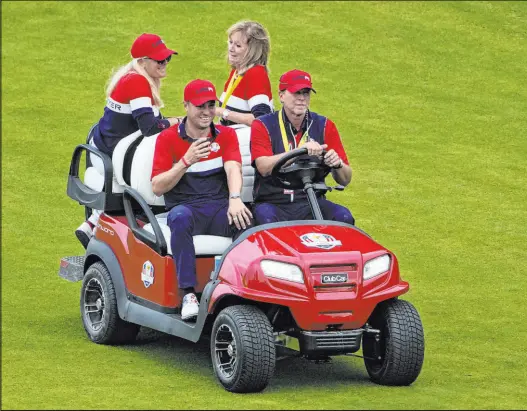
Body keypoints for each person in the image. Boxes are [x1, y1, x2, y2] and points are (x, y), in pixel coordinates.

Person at [151, 79, 253, 321]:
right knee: (179, 218)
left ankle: (239, 289)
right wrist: (186, 161)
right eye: (200, 106)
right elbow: (157, 187)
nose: (207, 112)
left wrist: (236, 198)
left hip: (219, 208)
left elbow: (233, 169)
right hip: (187, 209)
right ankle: (188, 293)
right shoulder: (166, 139)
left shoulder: (226, 135)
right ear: (186, 106)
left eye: (211, 105)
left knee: (248, 220)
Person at [75, 33, 181, 248]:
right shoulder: (137, 83)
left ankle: (91, 225)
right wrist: (179, 120)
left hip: (110, 149)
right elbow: (150, 128)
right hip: (111, 155)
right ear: (142, 62)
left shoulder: (135, 78)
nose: (165, 63)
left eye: (167, 59)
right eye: (160, 60)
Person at [250, 69, 355, 225]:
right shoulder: (262, 125)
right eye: (296, 93)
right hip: (273, 202)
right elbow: (263, 167)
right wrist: (298, 152)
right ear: (281, 96)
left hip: (311, 200)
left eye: (306, 93)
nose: (301, 99)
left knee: (344, 218)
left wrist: (337, 164)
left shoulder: (325, 125)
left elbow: (346, 179)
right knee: (267, 220)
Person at [214, 20, 273, 126]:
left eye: (238, 45)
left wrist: (222, 112)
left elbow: (262, 120)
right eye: (230, 42)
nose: (231, 48)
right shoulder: (237, 72)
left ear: (252, 51)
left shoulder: (256, 74)